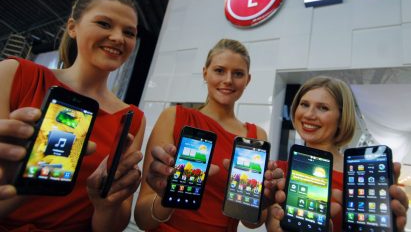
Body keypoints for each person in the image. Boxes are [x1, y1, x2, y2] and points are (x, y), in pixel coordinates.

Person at [0, 0, 146, 231]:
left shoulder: (132, 119)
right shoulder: (16, 74)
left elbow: (111, 225)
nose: (119, 38)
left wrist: (105, 205)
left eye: (129, 32)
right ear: (73, 27)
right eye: (104, 24)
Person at [134, 39, 282, 231]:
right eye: (219, 70)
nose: (228, 80)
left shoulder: (256, 135)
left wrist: (261, 202)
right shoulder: (175, 117)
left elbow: (251, 222)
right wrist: (166, 196)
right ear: (205, 72)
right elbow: (142, 218)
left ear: (248, 80)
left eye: (238, 73)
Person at [265, 76, 409, 231]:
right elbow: (273, 222)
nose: (309, 114)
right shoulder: (279, 171)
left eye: (323, 108)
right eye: (304, 104)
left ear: (341, 118)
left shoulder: (358, 176)